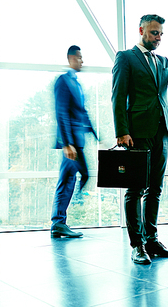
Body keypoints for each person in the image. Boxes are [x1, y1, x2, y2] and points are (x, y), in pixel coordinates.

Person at [112, 14, 168, 264]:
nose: (158, 38)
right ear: (141, 30)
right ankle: (136, 245)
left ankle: (151, 240)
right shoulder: (126, 57)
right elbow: (118, 96)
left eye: (160, 34)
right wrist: (121, 131)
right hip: (136, 133)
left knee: (156, 189)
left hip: (162, 133)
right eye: (153, 33)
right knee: (135, 189)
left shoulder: (163, 61)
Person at [52, 45, 97, 238]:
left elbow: (82, 112)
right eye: (79, 57)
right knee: (76, 177)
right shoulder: (64, 81)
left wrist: (97, 137)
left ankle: (59, 222)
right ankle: (58, 222)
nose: (82, 61)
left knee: (73, 177)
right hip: (71, 144)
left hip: (77, 142)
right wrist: (66, 143)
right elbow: (61, 113)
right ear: (70, 59)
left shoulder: (76, 82)